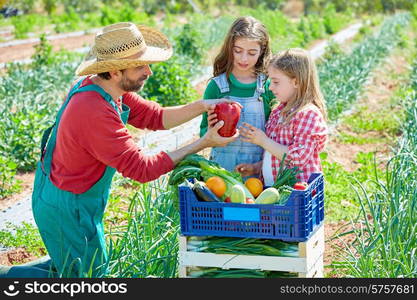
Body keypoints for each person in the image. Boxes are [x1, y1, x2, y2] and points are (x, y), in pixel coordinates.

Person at [0, 22, 238, 278]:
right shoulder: (94, 111)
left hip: (72, 196)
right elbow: (142, 169)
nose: (148, 71)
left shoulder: (107, 88)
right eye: (139, 66)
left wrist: (203, 105)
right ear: (114, 71)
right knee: (87, 277)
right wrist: (203, 143)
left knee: (75, 268)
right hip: (68, 206)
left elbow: (154, 117)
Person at [236, 48, 328, 186]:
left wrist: (263, 141)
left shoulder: (307, 114)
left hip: (296, 194)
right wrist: (256, 167)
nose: (271, 87)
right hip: (274, 192)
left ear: (296, 82)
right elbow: (276, 155)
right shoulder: (278, 112)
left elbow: (296, 159)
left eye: (276, 82)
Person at [199, 16, 275, 174]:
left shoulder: (268, 87)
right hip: (221, 173)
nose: (244, 58)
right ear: (229, 48)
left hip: (258, 172)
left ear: (262, 52)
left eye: (252, 53)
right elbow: (203, 132)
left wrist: (259, 167)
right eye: (238, 51)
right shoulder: (217, 87)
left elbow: (275, 134)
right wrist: (211, 131)